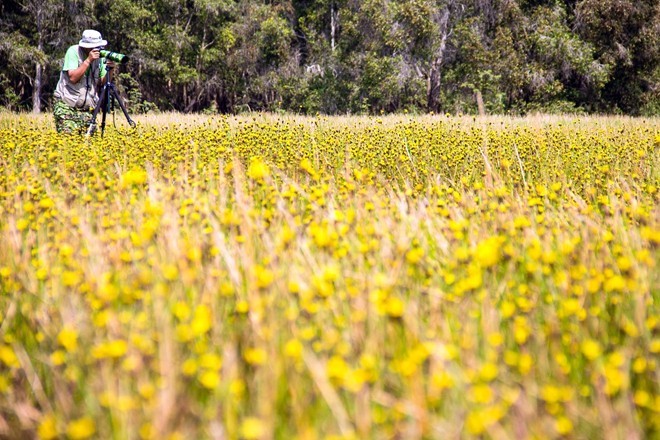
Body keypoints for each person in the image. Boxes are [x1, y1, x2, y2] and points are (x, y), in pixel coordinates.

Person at [53, 29, 116, 134]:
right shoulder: (73, 52)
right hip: (67, 106)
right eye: (94, 47)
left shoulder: (100, 58)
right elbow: (73, 78)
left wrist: (111, 69)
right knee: (68, 141)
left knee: (91, 144)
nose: (97, 49)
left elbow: (102, 83)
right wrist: (88, 60)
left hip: (87, 109)